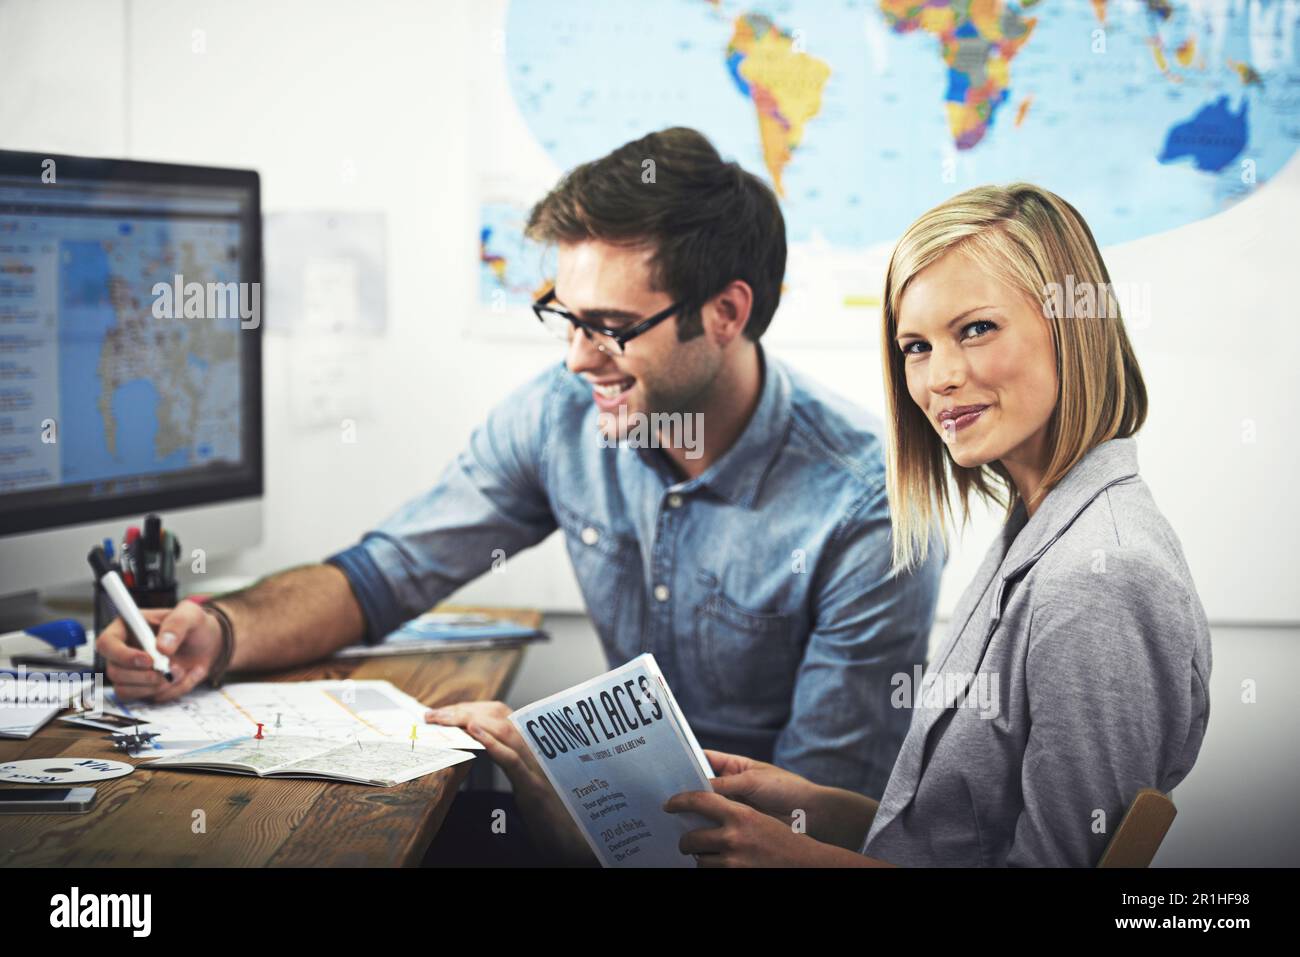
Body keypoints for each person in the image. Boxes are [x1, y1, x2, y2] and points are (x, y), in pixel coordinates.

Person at [97, 127, 943, 862]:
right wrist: (222, 628)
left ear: (725, 312)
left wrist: (556, 790)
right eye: (563, 317)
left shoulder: (868, 506)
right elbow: (385, 571)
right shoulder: (560, 416)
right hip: (605, 821)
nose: (578, 358)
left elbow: (810, 831)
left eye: (610, 327)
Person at [664, 182, 1213, 866]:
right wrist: (810, 805)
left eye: (976, 328)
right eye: (916, 346)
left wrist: (798, 859)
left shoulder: (1101, 576)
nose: (939, 378)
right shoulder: (1041, 525)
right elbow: (961, 834)